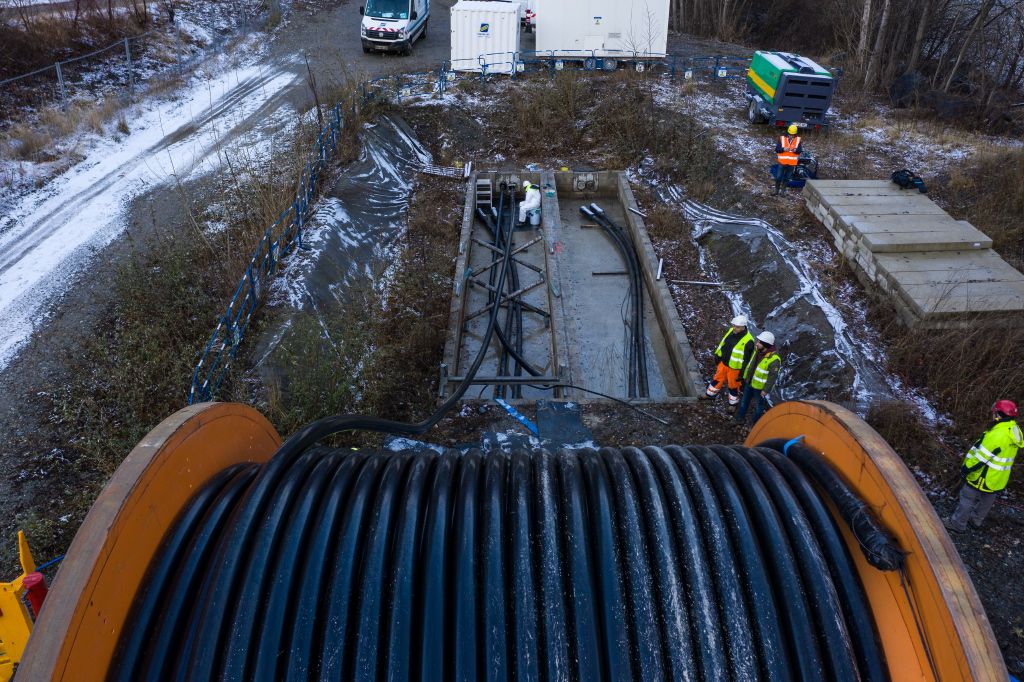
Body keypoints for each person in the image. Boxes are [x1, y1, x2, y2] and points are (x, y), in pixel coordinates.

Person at [943, 400, 1023, 533]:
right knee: (987, 499)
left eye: (995, 413)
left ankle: (958, 524)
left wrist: (966, 469)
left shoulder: (997, 435)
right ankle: (976, 520)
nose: (993, 415)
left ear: (1000, 414)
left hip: (982, 475)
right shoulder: (1014, 430)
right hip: (998, 478)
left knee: (967, 496)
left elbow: (981, 459)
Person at [703, 315, 754, 408]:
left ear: (743, 327)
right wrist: (718, 355)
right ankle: (710, 395)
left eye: (737, 327)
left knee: (733, 386)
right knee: (717, 379)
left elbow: (747, 361)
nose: (734, 328)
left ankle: (733, 404)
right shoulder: (731, 331)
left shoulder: (749, 341)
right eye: (734, 325)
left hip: (735, 369)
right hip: (724, 363)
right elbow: (723, 344)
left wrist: (742, 374)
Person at [734, 331, 781, 425]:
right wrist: (745, 377)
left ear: (765, 345)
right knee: (744, 401)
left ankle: (755, 424)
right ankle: (740, 419)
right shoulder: (757, 351)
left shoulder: (774, 360)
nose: (757, 343)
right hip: (750, 382)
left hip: (760, 388)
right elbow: (751, 365)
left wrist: (765, 390)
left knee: (759, 407)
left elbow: (772, 377)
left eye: (759, 342)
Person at [774, 124, 802, 196]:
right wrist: (783, 149)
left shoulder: (798, 140)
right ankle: (776, 190)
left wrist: (795, 150)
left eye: (793, 135)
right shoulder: (782, 139)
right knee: (778, 177)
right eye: (790, 134)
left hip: (791, 164)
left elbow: (799, 150)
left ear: (795, 134)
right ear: (788, 132)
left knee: (787, 178)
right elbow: (777, 149)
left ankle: (783, 191)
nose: (791, 136)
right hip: (782, 162)